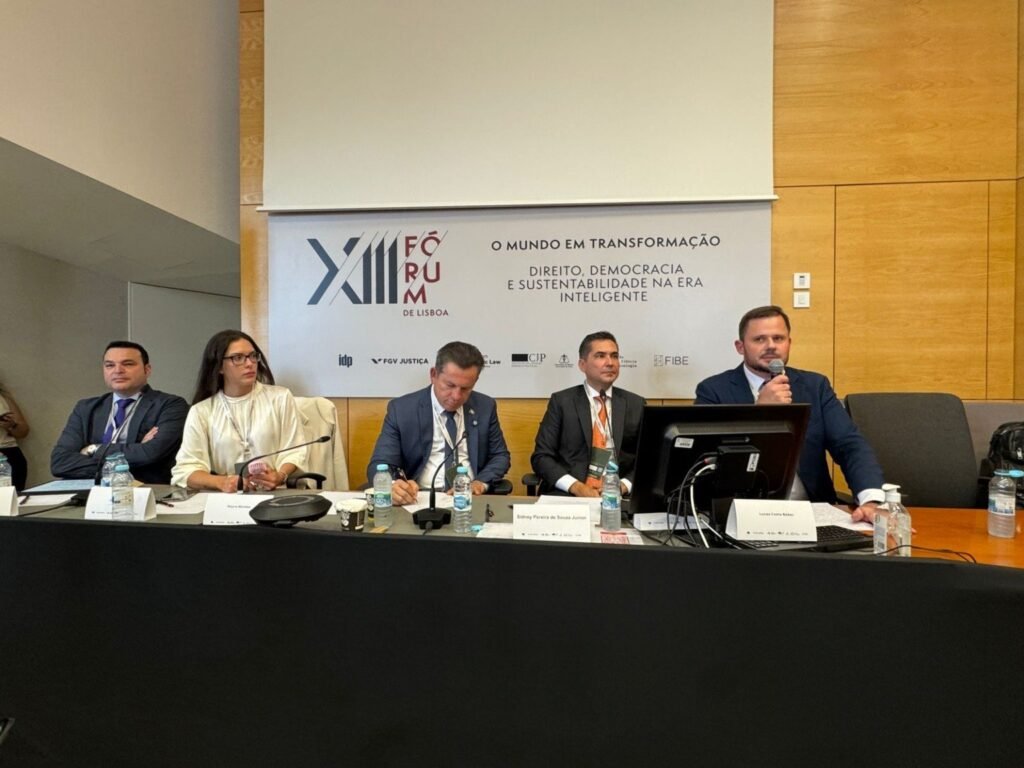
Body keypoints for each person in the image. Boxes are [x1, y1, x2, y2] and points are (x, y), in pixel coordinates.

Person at [694, 305, 884, 522]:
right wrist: (759, 413)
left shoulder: (815, 387)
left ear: (789, 343)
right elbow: (706, 464)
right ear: (740, 347)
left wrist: (870, 499)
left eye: (778, 338)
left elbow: (849, 446)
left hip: (811, 512)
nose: (771, 346)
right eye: (759, 339)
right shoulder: (713, 391)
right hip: (740, 515)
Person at [367, 341, 511, 505]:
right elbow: (380, 463)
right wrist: (393, 486)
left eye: (465, 388)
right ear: (433, 374)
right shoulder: (402, 410)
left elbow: (500, 456)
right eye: (450, 385)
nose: (456, 396)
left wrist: (480, 483)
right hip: (418, 499)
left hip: (468, 498)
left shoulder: (485, 406)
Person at [172, 330, 307, 492]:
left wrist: (280, 475)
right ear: (219, 367)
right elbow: (186, 470)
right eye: (238, 358)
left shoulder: (280, 398)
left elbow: (295, 450)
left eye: (252, 356)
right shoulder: (201, 411)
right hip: (228, 496)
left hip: (276, 494)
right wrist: (222, 482)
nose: (249, 363)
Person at [50, 341, 188, 484]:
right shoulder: (86, 408)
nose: (118, 370)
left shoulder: (170, 405)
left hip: (144, 489)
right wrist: (134, 455)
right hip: (87, 487)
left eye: (128, 364)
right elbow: (60, 462)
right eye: (110, 365)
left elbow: (150, 454)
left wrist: (93, 449)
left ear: (147, 370)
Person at [531, 331, 645, 497]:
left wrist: (622, 486)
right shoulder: (562, 402)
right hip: (570, 494)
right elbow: (541, 457)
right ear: (582, 364)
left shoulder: (636, 404)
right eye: (600, 356)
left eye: (614, 356)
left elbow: (648, 459)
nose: (610, 363)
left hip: (619, 496)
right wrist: (576, 487)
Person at [0, 382, 30, 491]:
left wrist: (12, 425)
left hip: (9, 454)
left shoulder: (3, 398)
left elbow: (23, 432)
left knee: (12, 498)